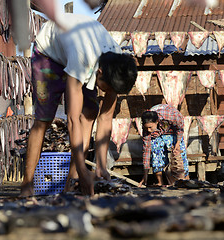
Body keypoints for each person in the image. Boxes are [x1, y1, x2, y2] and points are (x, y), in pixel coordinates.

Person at [20, 13, 137, 197]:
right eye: (107, 89)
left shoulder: (117, 62)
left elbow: (105, 118)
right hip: (48, 55)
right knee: (44, 119)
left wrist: (101, 167)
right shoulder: (82, 58)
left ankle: (72, 181)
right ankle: (27, 184)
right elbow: (72, 119)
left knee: (90, 112)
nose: (107, 94)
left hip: (78, 51)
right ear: (99, 72)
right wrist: (85, 171)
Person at [138, 104, 189, 187]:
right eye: (146, 128)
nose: (148, 130)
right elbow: (146, 151)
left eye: (150, 127)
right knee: (155, 150)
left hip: (173, 130)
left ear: (157, 122)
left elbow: (180, 127)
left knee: (179, 153)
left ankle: (186, 179)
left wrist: (177, 143)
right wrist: (145, 176)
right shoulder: (147, 130)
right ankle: (160, 182)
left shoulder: (170, 116)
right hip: (158, 133)